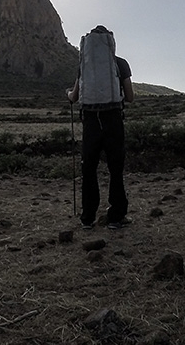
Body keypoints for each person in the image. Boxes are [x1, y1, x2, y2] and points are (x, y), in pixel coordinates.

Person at [67, 25, 135, 230]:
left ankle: (88, 218)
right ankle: (116, 217)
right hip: (113, 119)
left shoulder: (84, 65)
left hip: (90, 121)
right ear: (110, 43)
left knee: (89, 170)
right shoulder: (120, 63)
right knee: (115, 169)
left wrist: (68, 94)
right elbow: (130, 97)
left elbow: (75, 97)